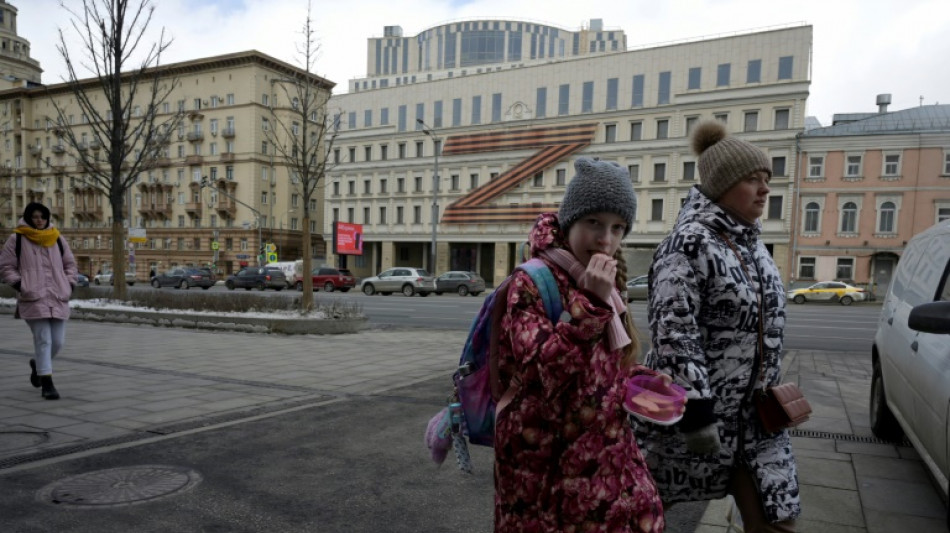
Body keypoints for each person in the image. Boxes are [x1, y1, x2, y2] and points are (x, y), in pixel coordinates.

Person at [493, 157, 682, 532]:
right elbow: (542, 369)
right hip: (545, 465)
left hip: (605, 453)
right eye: (593, 223)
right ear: (570, 222)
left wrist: (643, 379)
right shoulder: (532, 281)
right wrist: (591, 305)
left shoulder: (605, 280)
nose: (605, 239)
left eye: (617, 227)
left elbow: (606, 360)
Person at [636, 121, 800, 532]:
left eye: (767, 179)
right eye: (752, 179)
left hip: (758, 426)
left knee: (779, 521)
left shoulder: (757, 248)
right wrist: (697, 410)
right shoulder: (687, 244)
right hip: (694, 420)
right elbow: (675, 333)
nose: (765, 189)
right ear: (722, 184)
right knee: (643, 514)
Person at [0, 202, 78, 400]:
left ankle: (38, 365)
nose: (39, 220)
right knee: (43, 339)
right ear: (28, 218)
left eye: (42, 217)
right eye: (35, 217)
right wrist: (21, 285)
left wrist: (69, 284)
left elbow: (70, 264)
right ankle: (47, 383)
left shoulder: (57, 237)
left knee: (58, 342)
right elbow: (6, 266)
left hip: (58, 295)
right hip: (33, 296)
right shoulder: (16, 238)